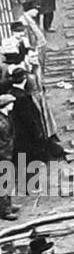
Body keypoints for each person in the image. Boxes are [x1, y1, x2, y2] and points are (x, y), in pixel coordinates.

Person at [0, 92, 17, 220]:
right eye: (11, 103)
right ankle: (5, 211)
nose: (13, 105)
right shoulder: (1, 122)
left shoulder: (6, 117)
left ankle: (8, 205)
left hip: (7, 154)